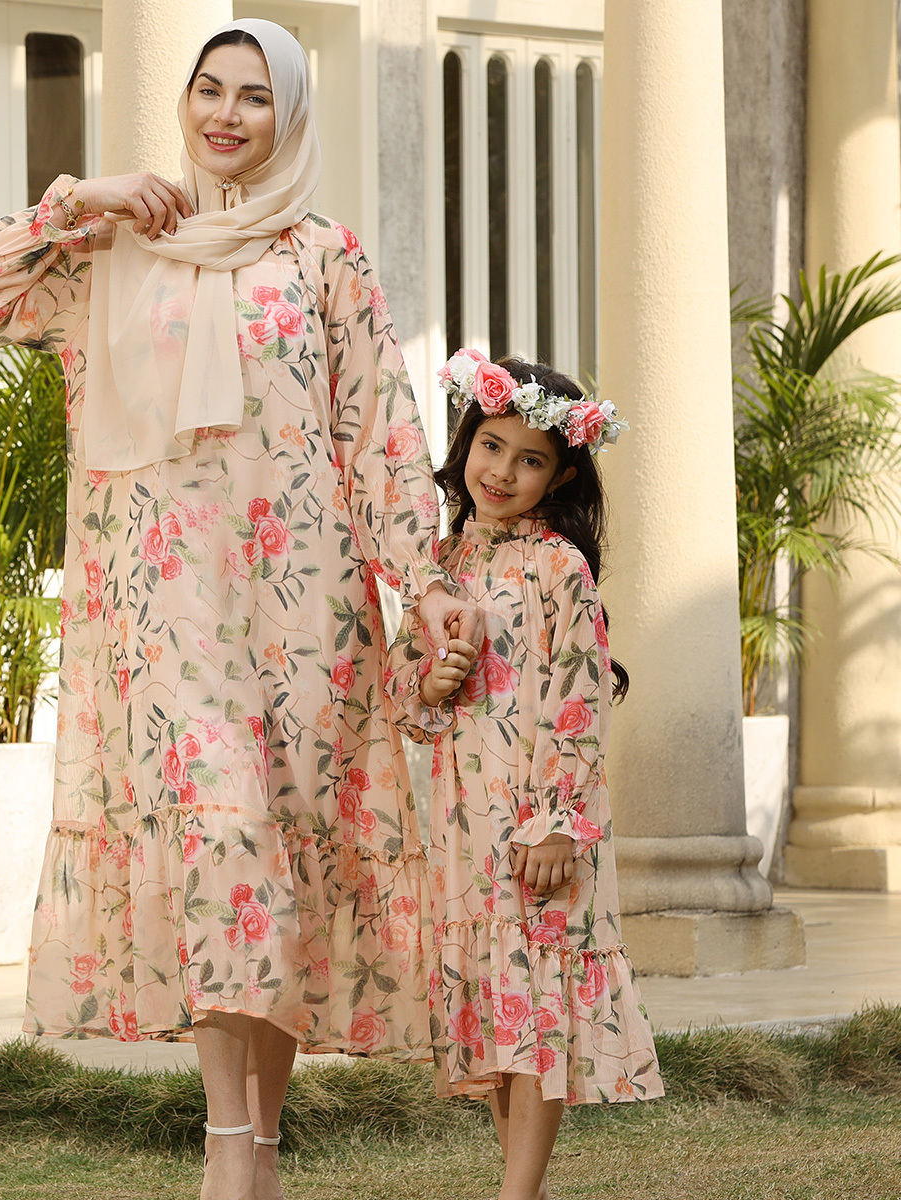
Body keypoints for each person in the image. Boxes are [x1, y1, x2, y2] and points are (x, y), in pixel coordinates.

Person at [0, 19, 474, 1200]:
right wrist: (80, 201)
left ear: (290, 116)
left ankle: (259, 1152)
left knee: (281, 877)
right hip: (163, 612)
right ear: (183, 102)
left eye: (255, 97)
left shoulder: (325, 257)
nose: (227, 114)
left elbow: (380, 439)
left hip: (306, 615)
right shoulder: (112, 247)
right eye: (210, 90)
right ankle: (230, 1149)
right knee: (220, 853)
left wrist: (424, 586)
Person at [386, 352, 663, 1200]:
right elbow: (404, 692)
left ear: (562, 474)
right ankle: (524, 1189)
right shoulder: (439, 567)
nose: (503, 471)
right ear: (466, 444)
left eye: (530, 459)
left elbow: (580, 700)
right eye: (491, 446)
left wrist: (554, 824)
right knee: (500, 1010)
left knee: (540, 1007)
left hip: (541, 827)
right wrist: (431, 682)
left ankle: (516, 1194)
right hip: (464, 828)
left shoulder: (558, 567)